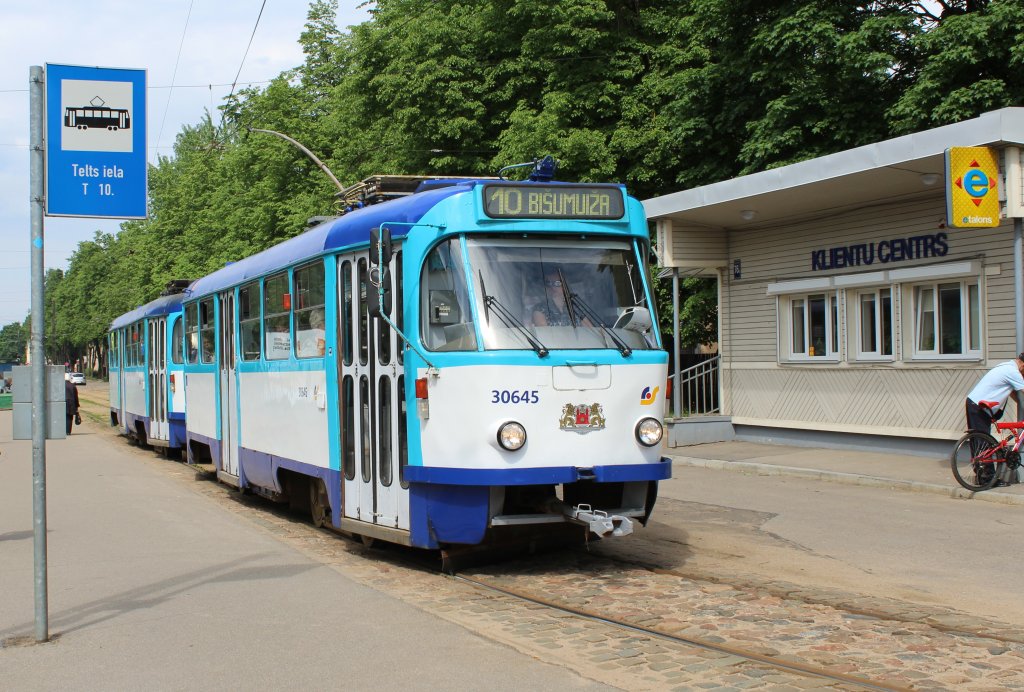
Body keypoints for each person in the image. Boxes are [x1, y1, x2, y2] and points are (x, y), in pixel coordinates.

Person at [965, 354, 1024, 433]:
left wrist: (1019, 402)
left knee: (978, 439)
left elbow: (1012, 392)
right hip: (980, 406)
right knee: (982, 439)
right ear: (1023, 365)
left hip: (974, 402)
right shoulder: (1013, 372)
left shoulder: (1005, 366)